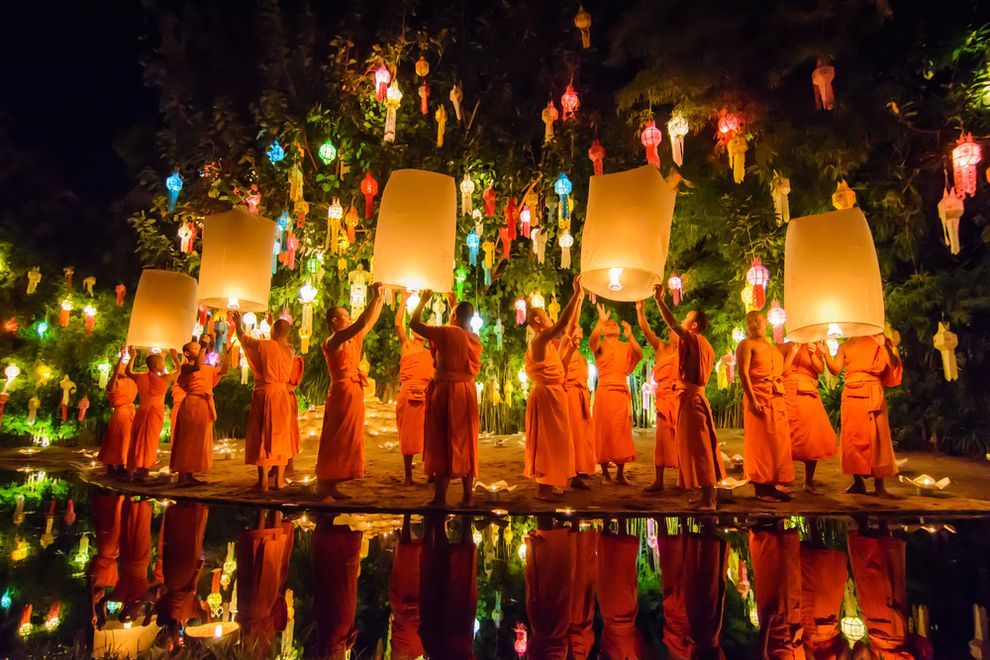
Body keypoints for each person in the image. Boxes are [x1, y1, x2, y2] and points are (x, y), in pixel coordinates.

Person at [653, 286, 724, 511]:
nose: (682, 321)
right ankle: (705, 495)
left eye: (686, 319)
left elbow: (673, 324)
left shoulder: (694, 340)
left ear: (693, 326)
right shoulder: (705, 346)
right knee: (697, 447)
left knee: (701, 448)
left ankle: (709, 499)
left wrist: (659, 301)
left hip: (692, 401)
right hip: (692, 397)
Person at [410, 292, 482, 508]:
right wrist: (454, 306)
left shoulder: (445, 332)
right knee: (466, 441)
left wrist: (423, 300)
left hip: (448, 392)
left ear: (453, 316)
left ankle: (440, 498)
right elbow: (461, 330)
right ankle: (467, 496)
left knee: (443, 441)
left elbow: (414, 323)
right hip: (467, 392)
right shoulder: (474, 337)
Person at [316, 284, 385, 500]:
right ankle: (326, 481)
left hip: (354, 390)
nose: (349, 318)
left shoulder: (351, 339)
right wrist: (373, 297)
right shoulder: (333, 340)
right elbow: (362, 322)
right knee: (337, 436)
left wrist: (381, 299)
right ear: (335, 322)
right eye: (345, 316)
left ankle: (331, 482)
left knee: (349, 436)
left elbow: (369, 322)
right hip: (342, 390)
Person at [524, 275, 585, 500]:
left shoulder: (549, 345)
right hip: (547, 396)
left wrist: (569, 350)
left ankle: (551, 481)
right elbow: (562, 325)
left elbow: (561, 369)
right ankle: (543, 488)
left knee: (558, 441)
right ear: (538, 321)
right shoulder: (539, 341)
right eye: (547, 316)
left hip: (556, 393)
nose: (551, 319)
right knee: (548, 441)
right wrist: (576, 294)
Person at [821, 334, 903, 497]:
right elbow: (836, 370)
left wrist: (884, 346)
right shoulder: (845, 346)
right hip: (851, 395)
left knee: (876, 438)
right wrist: (825, 353)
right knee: (852, 438)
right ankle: (858, 482)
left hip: (871, 391)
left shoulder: (878, 340)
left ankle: (880, 485)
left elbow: (893, 364)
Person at [232, 312, 296, 491]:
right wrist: (272, 327)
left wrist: (238, 322)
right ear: (288, 334)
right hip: (282, 394)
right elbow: (276, 345)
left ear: (272, 331)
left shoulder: (265, 345)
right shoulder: (290, 349)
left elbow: (242, 338)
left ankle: (263, 482)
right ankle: (279, 481)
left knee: (262, 434)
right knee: (280, 435)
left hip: (265, 392)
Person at [736, 311, 794, 501]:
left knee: (777, 443)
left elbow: (781, 372)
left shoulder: (772, 348)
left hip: (775, 397)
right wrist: (752, 399)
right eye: (749, 322)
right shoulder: (746, 344)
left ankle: (773, 483)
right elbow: (744, 374)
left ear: (766, 323)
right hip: (758, 396)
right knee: (760, 443)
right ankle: (761, 488)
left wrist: (793, 353)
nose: (753, 325)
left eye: (756, 321)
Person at [590, 305, 643, 485]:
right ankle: (605, 473)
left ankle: (620, 473)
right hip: (604, 392)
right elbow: (592, 339)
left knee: (621, 431)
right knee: (603, 432)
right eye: (608, 324)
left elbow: (639, 354)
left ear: (619, 331)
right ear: (603, 331)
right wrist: (601, 321)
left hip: (620, 392)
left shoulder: (626, 346)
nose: (612, 324)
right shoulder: (599, 347)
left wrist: (631, 335)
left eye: (614, 324)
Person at [780, 342, 837, 494]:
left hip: (808, 393)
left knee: (812, 438)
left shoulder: (816, 345)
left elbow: (819, 369)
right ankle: (782, 480)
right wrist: (792, 353)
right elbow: (782, 371)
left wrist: (812, 354)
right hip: (788, 392)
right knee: (785, 437)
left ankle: (808, 481)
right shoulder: (786, 346)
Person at [418, 514, 477, 659]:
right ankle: (441, 520)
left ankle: (464, 520)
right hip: (450, 628)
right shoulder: (435, 651)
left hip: (452, 628)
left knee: (458, 563)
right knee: (446, 564)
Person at [636, 299, 680, 492]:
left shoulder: (686, 350)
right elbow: (647, 332)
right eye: (669, 330)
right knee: (661, 441)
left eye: (674, 330)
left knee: (681, 440)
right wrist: (640, 311)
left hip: (679, 398)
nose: (671, 333)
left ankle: (683, 478)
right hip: (663, 400)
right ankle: (658, 480)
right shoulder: (661, 348)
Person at [236, 510, 294, 655]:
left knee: (261, 552)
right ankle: (270, 512)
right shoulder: (261, 646)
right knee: (266, 552)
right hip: (260, 603)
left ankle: (266, 512)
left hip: (253, 604)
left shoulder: (248, 648)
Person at [170, 339, 227, 486]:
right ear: (187, 353)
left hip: (204, 405)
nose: (200, 349)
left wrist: (227, 354)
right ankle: (183, 475)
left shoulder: (207, 368)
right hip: (192, 404)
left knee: (198, 441)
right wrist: (203, 347)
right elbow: (197, 366)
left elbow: (223, 371)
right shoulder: (186, 367)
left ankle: (191, 474)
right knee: (187, 440)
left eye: (199, 348)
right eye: (196, 348)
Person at [154, 502, 208, 649]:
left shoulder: (170, 616)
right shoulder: (182, 616)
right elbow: (202, 612)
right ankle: (188, 510)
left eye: (174, 639)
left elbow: (201, 613)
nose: (178, 638)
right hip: (180, 576)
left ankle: (186, 511)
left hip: (179, 577)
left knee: (183, 546)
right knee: (186, 545)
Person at [394, 291, 434, 486]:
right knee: (408, 437)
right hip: (408, 395)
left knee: (430, 436)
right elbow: (398, 323)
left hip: (426, 396)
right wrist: (404, 299)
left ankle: (431, 473)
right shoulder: (406, 346)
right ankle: (408, 476)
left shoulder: (430, 352)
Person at [595, 519, 649, 658]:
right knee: (618, 572)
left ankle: (615, 525)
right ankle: (613, 525)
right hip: (619, 614)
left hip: (621, 615)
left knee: (620, 572)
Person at [125, 347, 180, 480]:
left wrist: (132, 356)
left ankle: (136, 468)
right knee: (150, 440)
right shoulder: (165, 378)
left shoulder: (141, 377)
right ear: (156, 365)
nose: (164, 365)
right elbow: (179, 371)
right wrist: (175, 357)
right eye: (162, 362)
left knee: (138, 439)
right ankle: (144, 470)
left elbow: (128, 372)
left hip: (142, 409)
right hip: (155, 410)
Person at [750, 522, 805, 657]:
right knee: (789, 570)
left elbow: (760, 654)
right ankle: (778, 525)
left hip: (776, 626)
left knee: (774, 573)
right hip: (793, 624)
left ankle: (765, 530)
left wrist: (767, 622)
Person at [311, 515, 362, 657]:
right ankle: (326, 522)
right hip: (340, 626)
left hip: (333, 627)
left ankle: (324, 520)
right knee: (340, 578)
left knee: (330, 577)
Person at [525, 518, 574, 657]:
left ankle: (554, 530)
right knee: (547, 573)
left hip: (557, 627)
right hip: (547, 626)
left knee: (556, 576)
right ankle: (547, 527)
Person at [800, 519, 849, 658]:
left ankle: (811, 524)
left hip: (809, 627)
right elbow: (845, 645)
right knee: (823, 570)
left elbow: (805, 650)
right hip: (828, 622)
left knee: (810, 570)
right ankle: (814, 526)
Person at [560, 323, 596, 487]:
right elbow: (563, 369)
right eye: (577, 330)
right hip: (570, 395)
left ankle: (579, 470)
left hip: (580, 395)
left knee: (581, 434)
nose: (581, 333)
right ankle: (569, 473)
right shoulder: (562, 348)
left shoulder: (577, 352)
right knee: (571, 435)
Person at [389, 514, 424, 660]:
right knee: (407, 558)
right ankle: (408, 519)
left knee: (406, 558)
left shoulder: (417, 650)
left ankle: (408, 519)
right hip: (413, 605)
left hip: (408, 605)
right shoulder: (418, 650)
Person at [98, 349, 137, 476]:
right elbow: (115, 375)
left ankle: (121, 464)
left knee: (126, 440)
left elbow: (131, 372)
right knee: (115, 440)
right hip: (120, 414)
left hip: (130, 413)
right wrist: (121, 358)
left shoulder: (130, 382)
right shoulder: (115, 383)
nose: (123, 368)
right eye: (121, 367)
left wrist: (132, 357)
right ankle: (110, 466)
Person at [286, 353, 304, 476]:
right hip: (275, 395)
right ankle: (276, 464)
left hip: (286, 397)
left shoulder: (294, 360)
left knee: (288, 430)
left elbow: (293, 380)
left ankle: (288, 464)